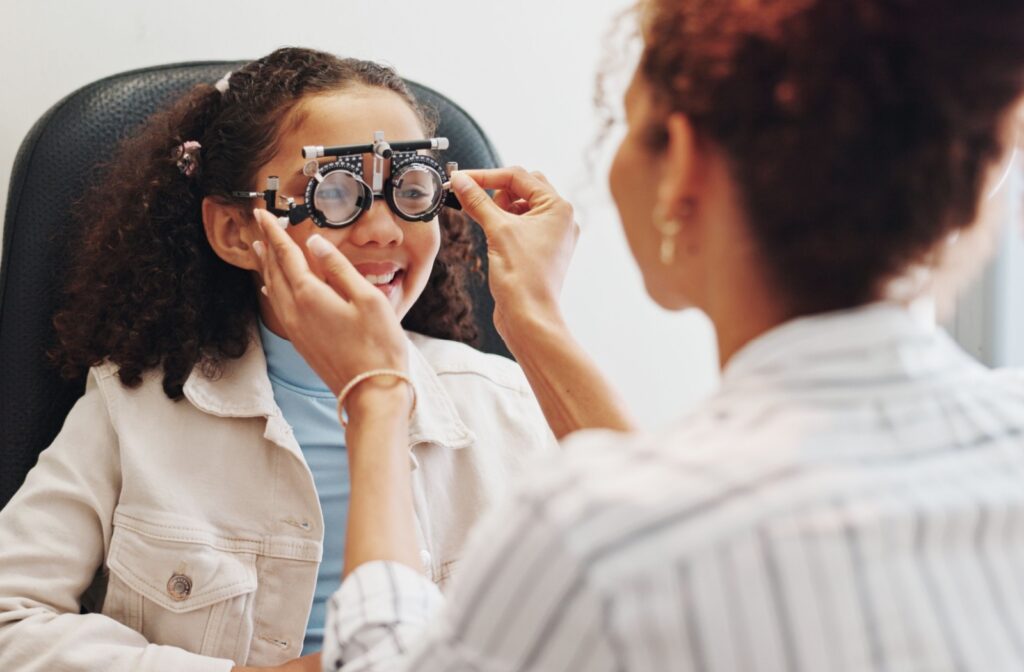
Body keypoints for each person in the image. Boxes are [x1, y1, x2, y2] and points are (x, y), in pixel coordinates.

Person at [249, 1, 1024, 670]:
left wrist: (376, 392)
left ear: (681, 165)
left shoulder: (602, 538)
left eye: (627, 122)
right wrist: (533, 321)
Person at [0, 47, 554, 672]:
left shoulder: (506, 404)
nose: (382, 229)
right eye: (336, 192)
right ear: (238, 232)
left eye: (411, 187)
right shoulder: (135, 411)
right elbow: (9, 619)